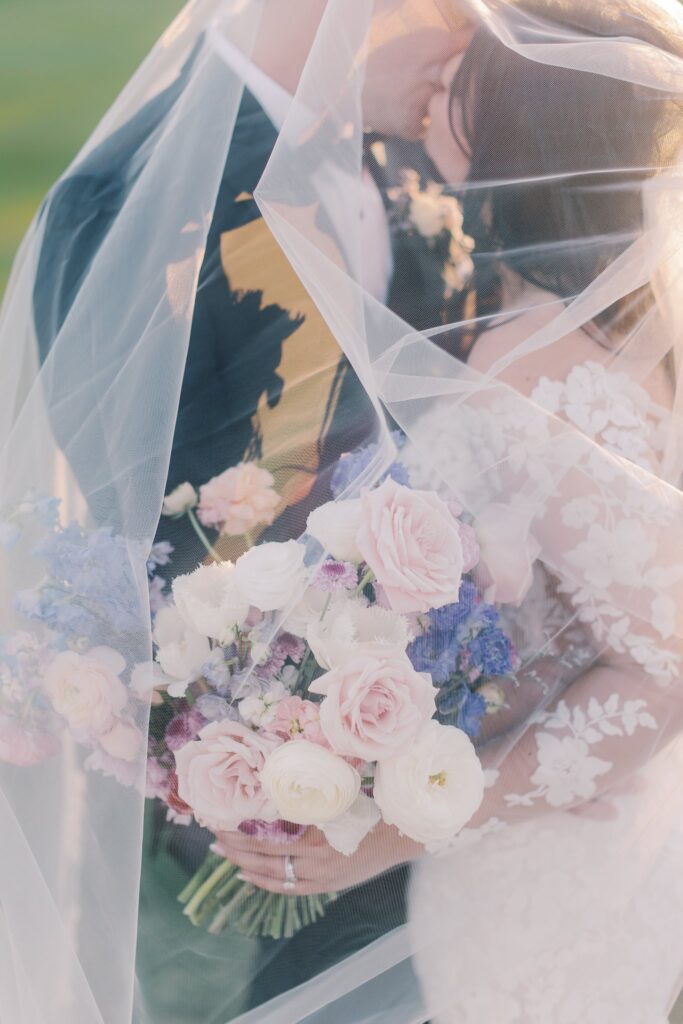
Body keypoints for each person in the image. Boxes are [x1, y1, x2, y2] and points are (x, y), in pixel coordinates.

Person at [30, 2, 469, 1020]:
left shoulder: (412, 163)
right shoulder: (123, 202)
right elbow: (151, 519)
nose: (473, 34)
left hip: (440, 771)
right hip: (261, 790)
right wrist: (308, 726)